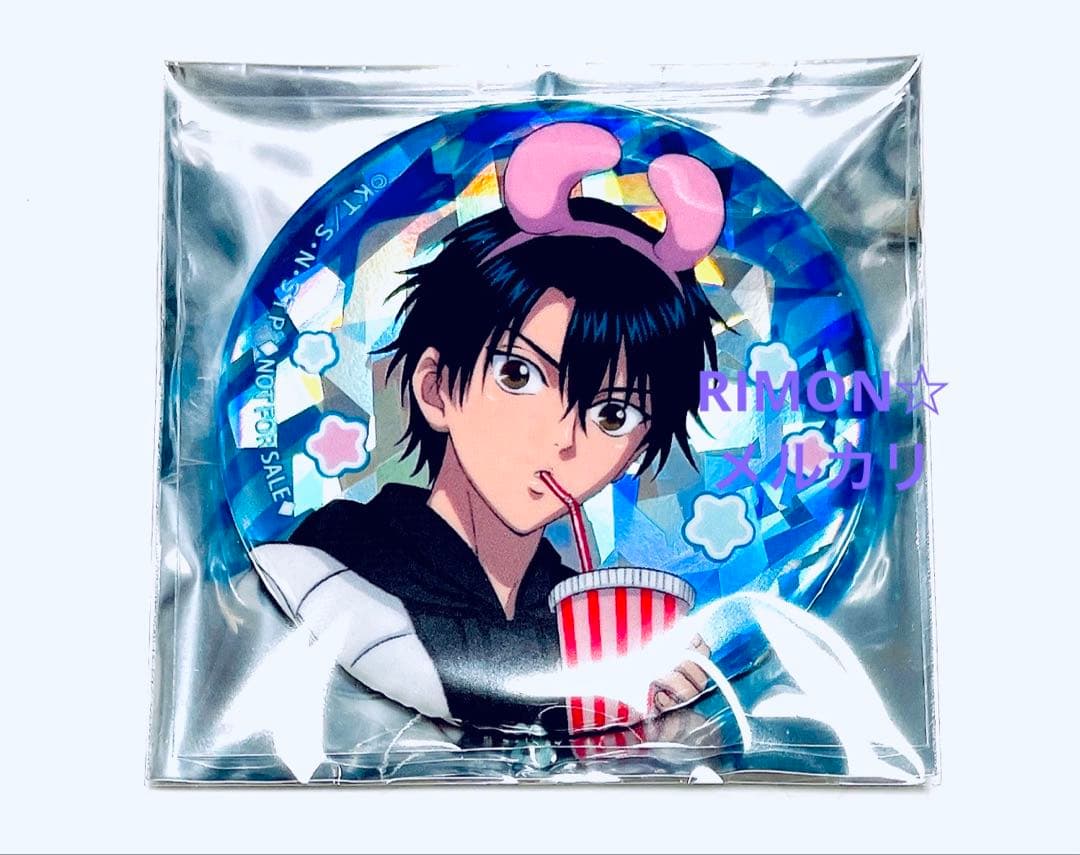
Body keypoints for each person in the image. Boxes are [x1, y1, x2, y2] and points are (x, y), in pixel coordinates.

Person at [251, 122, 729, 730]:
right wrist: (588, 663)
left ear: (633, 453)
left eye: (613, 414)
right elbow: (398, 646)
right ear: (436, 388)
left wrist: (665, 716)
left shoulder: (570, 606)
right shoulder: (344, 546)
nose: (563, 438)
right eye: (518, 375)